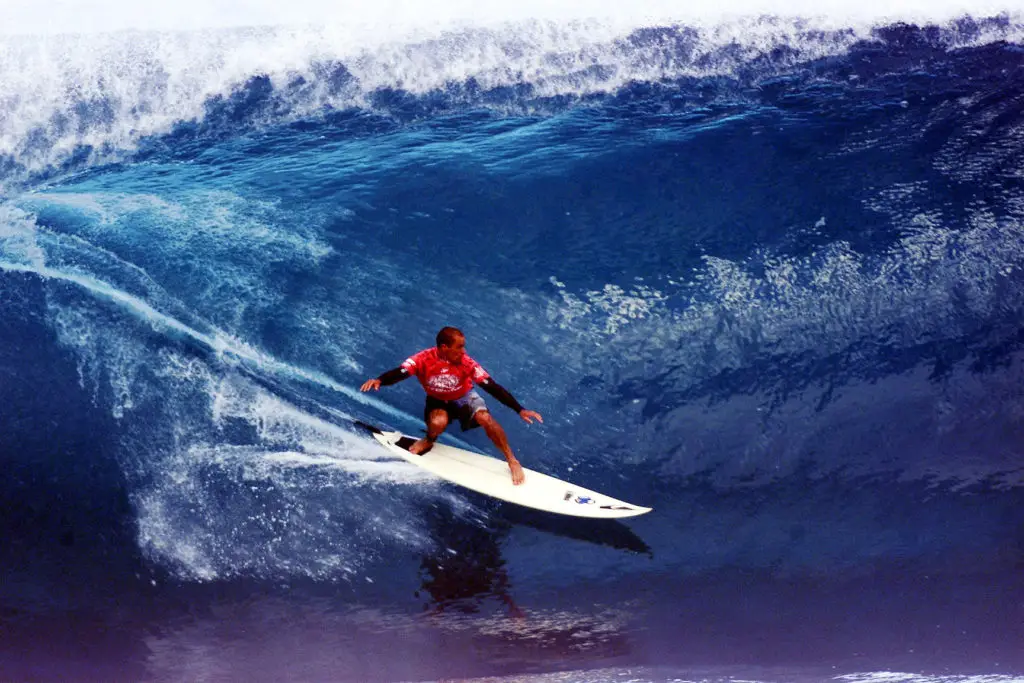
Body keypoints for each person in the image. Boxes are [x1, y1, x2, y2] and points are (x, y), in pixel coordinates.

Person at [360, 326, 542, 485]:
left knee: (485, 417)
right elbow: (402, 371)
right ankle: (429, 441)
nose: (463, 351)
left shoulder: (467, 363)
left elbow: (492, 386)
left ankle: (511, 460)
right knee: (438, 423)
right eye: (459, 347)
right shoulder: (423, 358)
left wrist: (519, 409)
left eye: (464, 346)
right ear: (444, 347)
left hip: (464, 397)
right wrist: (380, 380)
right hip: (437, 400)